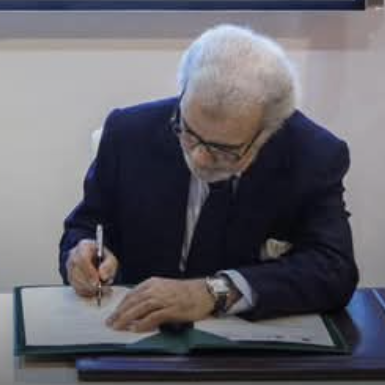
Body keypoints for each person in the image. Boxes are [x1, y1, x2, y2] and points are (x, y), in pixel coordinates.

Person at [58, 25, 357, 330]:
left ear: (268, 132)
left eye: (223, 150)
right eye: (188, 132)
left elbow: (333, 268)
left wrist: (216, 291)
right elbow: (85, 225)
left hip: (246, 344)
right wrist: (80, 254)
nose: (199, 158)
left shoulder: (312, 155)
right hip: (134, 331)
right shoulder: (129, 132)